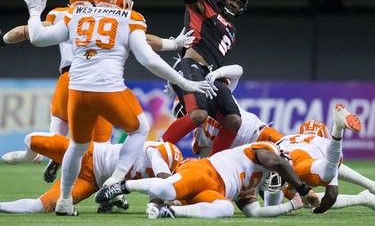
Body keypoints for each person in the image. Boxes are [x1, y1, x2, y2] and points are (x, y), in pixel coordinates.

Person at [24, 0, 213, 215]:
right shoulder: (129, 18)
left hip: (77, 91)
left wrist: (34, 14)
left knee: (77, 147)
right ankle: (114, 180)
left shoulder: (77, 14)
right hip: (109, 90)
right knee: (140, 129)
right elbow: (148, 59)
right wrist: (183, 81)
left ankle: (64, 200)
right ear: (125, 1)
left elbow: (38, 38)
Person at [0, 0, 114, 183]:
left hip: (69, 78)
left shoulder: (63, 14)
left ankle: (49, 155)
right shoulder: (109, 16)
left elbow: (27, 33)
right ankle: (109, 190)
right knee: (102, 148)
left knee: (57, 138)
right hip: (100, 79)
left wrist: (3, 38)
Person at [160, 0, 250, 157]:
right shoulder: (205, 5)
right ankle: (156, 148)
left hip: (211, 77)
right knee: (199, 115)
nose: (234, 3)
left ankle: (212, 166)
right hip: (191, 66)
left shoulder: (232, 31)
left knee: (234, 120)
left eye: (239, 2)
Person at [95, 141, 320, 219]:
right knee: (166, 192)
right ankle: (123, 186)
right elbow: (276, 163)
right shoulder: (265, 151)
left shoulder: (253, 185)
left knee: (226, 208)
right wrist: (302, 189)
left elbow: (256, 213)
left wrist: (293, 204)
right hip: (206, 171)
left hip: (216, 190)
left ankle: (171, 213)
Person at [0, 131, 183, 214]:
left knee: (41, 207)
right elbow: (163, 179)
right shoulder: (157, 151)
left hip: (90, 182)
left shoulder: (158, 164)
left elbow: (156, 197)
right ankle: (29, 156)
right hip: (88, 153)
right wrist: (175, 194)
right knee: (31, 140)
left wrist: (161, 205)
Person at [275, 104, 362, 214]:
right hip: (305, 164)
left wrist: (293, 201)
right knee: (327, 174)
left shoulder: (286, 138)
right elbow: (331, 195)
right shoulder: (324, 143)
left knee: (272, 187)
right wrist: (318, 210)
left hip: (280, 162)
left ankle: (279, 205)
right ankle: (337, 131)